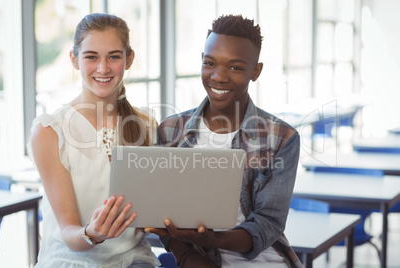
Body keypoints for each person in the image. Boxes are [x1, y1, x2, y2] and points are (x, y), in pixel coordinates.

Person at [146, 15, 302, 267]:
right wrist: (187, 256)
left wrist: (212, 239)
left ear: (256, 71)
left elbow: (267, 224)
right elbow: (158, 212)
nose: (218, 76)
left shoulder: (281, 138)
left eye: (235, 67)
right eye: (210, 63)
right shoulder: (170, 129)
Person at [28, 13, 160, 268]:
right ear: (74, 59)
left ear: (129, 59)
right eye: (91, 57)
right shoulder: (50, 131)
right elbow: (69, 233)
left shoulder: (146, 125)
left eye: (113, 56)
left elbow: (149, 216)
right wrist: (93, 233)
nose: (103, 68)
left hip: (134, 258)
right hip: (72, 259)